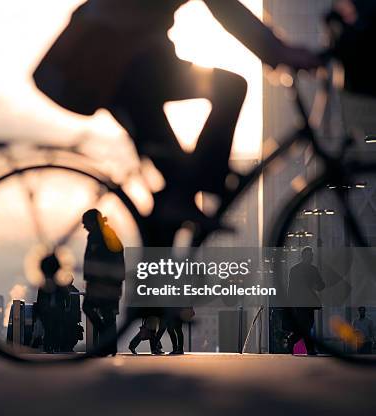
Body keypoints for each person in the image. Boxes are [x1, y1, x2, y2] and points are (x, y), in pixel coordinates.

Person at [34, 0, 321, 245]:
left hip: (119, 68)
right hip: (116, 67)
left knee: (174, 198)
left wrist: (276, 51)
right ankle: (208, 181)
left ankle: (157, 303)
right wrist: (280, 52)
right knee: (230, 88)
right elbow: (227, 10)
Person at [82, 209, 125, 356]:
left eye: (86, 223)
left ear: (93, 222)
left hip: (102, 283)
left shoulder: (97, 236)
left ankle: (107, 342)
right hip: (110, 282)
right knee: (108, 315)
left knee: (90, 308)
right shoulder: (108, 234)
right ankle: (109, 345)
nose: (84, 226)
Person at [285, 247, 325, 356]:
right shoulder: (295, 269)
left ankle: (292, 340)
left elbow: (321, 285)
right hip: (300, 301)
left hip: (309, 302)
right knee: (306, 326)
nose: (310, 257)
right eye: (308, 255)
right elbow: (291, 287)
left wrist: (319, 286)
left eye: (311, 255)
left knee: (308, 325)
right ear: (303, 256)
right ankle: (308, 348)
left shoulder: (313, 269)